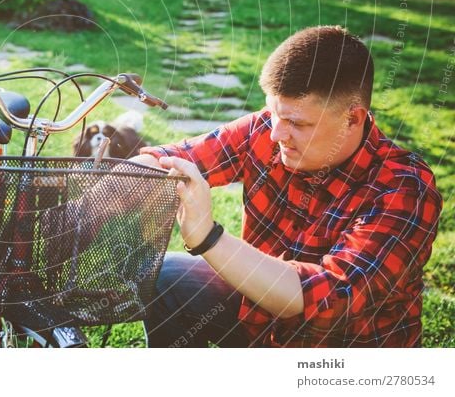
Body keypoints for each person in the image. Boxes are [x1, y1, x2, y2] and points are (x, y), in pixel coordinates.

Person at [134, 26, 442, 347]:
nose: (276, 135)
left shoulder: (404, 189)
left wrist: (209, 237)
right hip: (258, 322)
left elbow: (327, 300)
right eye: (273, 113)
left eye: (297, 123)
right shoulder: (271, 128)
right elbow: (171, 158)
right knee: (166, 277)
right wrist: (100, 196)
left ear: (353, 118)